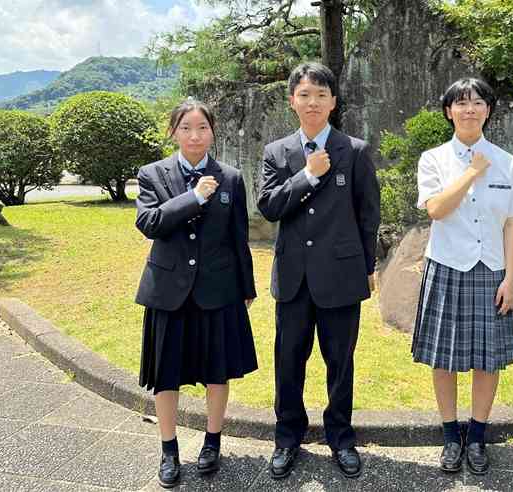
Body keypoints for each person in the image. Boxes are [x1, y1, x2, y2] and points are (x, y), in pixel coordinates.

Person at [257, 62, 381, 480]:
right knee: (288, 360)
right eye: (305, 95)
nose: (313, 102)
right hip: (293, 277)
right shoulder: (277, 152)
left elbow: (368, 216)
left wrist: (368, 268)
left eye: (321, 95)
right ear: (293, 100)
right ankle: (287, 436)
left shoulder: (356, 150)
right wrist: (308, 175)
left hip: (342, 277)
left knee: (339, 362)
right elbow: (270, 206)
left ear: (333, 102)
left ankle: (341, 437)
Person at [135, 98, 258, 488]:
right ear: (173, 131)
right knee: (165, 375)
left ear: (212, 132)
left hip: (217, 290)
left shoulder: (232, 178)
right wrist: (194, 197)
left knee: (217, 371)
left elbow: (239, 238)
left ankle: (212, 442)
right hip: (168, 291)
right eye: (186, 127)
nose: (194, 135)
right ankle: (168, 449)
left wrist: (246, 287)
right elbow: (150, 223)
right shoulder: (152, 174)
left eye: (202, 127)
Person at [412, 77, 513, 475]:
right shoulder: (433, 159)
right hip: (446, 267)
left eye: (477, 102)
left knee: (488, 358)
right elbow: (436, 210)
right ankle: (449, 434)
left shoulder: (506, 161)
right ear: (448, 111)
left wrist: (510, 278)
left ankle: (477, 435)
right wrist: (470, 172)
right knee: (443, 357)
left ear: (488, 110)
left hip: (491, 269)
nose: (469, 109)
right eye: (460, 103)